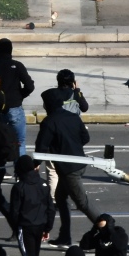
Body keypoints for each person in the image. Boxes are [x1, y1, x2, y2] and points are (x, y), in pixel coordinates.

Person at [35, 89, 101, 247]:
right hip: (79, 163)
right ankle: (65, 236)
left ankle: (108, 230)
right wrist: (73, 146)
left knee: (83, 203)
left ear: (48, 104)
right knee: (60, 198)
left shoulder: (49, 122)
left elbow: (41, 146)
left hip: (69, 170)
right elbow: (85, 137)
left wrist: (35, 164)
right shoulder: (73, 117)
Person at [42, 69, 89, 202]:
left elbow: (46, 107)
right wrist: (77, 90)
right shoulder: (76, 94)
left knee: (52, 170)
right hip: (73, 136)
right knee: (71, 170)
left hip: (55, 134)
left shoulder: (52, 96)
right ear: (73, 82)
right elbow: (85, 107)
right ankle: (72, 196)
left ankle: (54, 198)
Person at [0, 38, 34, 157]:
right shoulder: (17, 66)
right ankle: (20, 167)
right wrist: (20, 96)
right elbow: (29, 86)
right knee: (19, 142)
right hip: (14, 107)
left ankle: (0, 167)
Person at [9, 154, 54, 256]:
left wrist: (16, 227)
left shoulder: (19, 187)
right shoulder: (43, 184)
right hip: (40, 225)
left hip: (25, 227)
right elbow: (50, 208)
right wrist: (47, 228)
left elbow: (14, 212)